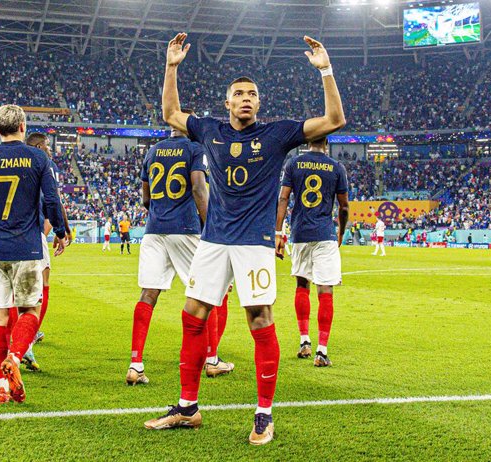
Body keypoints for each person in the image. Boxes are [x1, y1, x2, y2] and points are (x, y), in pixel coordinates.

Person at [143, 32, 345, 446]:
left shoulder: (278, 134)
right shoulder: (210, 130)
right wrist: (171, 65)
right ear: (228, 102)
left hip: (254, 244)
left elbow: (334, 121)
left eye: (252, 94)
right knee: (192, 315)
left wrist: (325, 70)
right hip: (213, 240)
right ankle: (187, 407)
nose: (246, 99)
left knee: (259, 320)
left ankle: (264, 415)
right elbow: (170, 112)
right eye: (239, 94)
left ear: (259, 102)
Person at [0, 105, 67, 405]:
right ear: (23, 126)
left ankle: (0, 385)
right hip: (27, 246)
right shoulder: (38, 157)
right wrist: (61, 231)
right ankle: (14, 355)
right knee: (29, 311)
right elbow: (51, 199)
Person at [127, 110, 233, 386]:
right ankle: (211, 360)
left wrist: (159, 214)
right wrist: (212, 227)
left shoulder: (152, 152)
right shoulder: (195, 149)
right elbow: (199, 188)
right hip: (185, 228)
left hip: (154, 229)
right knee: (209, 291)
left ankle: (135, 365)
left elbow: (145, 197)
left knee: (148, 294)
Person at [275, 137, 349, 367]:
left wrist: (279, 232)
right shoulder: (336, 167)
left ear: (307, 142)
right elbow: (344, 206)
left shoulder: (294, 164)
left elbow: (284, 197)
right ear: (326, 142)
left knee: (301, 285)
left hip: (299, 233)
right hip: (325, 232)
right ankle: (322, 351)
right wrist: (341, 232)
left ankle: (304, 341)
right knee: (325, 288)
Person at [21, 131, 72, 371]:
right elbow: (54, 199)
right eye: (48, 147)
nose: (51, 151)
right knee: (41, 286)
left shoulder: (17, 160)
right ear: (41, 146)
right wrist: (62, 232)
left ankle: (23, 336)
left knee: (16, 291)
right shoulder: (45, 163)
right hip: (33, 233)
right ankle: (25, 342)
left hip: (6, 235)